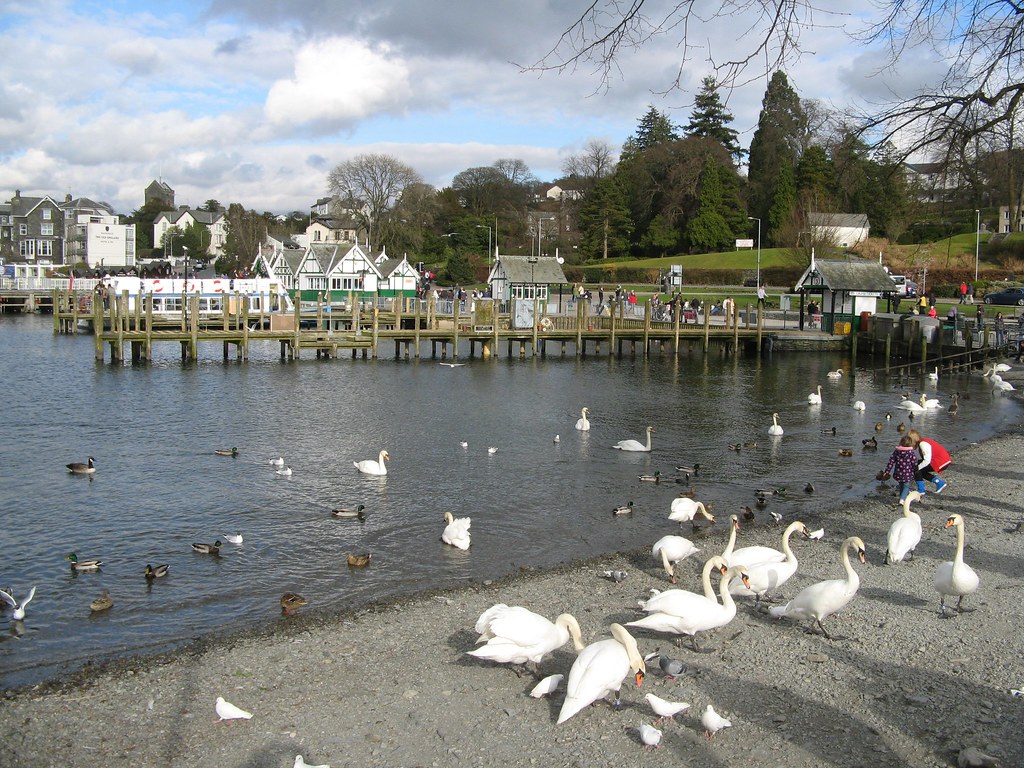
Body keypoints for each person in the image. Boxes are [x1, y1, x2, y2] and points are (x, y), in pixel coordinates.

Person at [908, 429, 950, 494]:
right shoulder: (924, 441)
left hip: (941, 462)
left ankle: (921, 490)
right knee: (919, 467)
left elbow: (927, 461)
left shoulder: (923, 444)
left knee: (916, 468)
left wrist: (917, 468)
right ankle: (939, 483)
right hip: (943, 460)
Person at [883, 434, 920, 503]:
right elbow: (914, 462)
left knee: (901, 485)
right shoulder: (911, 453)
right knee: (906, 486)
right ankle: (902, 499)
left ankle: (901, 497)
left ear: (900, 442)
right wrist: (916, 469)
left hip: (898, 473)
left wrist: (887, 471)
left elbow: (891, 461)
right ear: (910, 444)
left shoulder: (897, 451)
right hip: (907, 474)